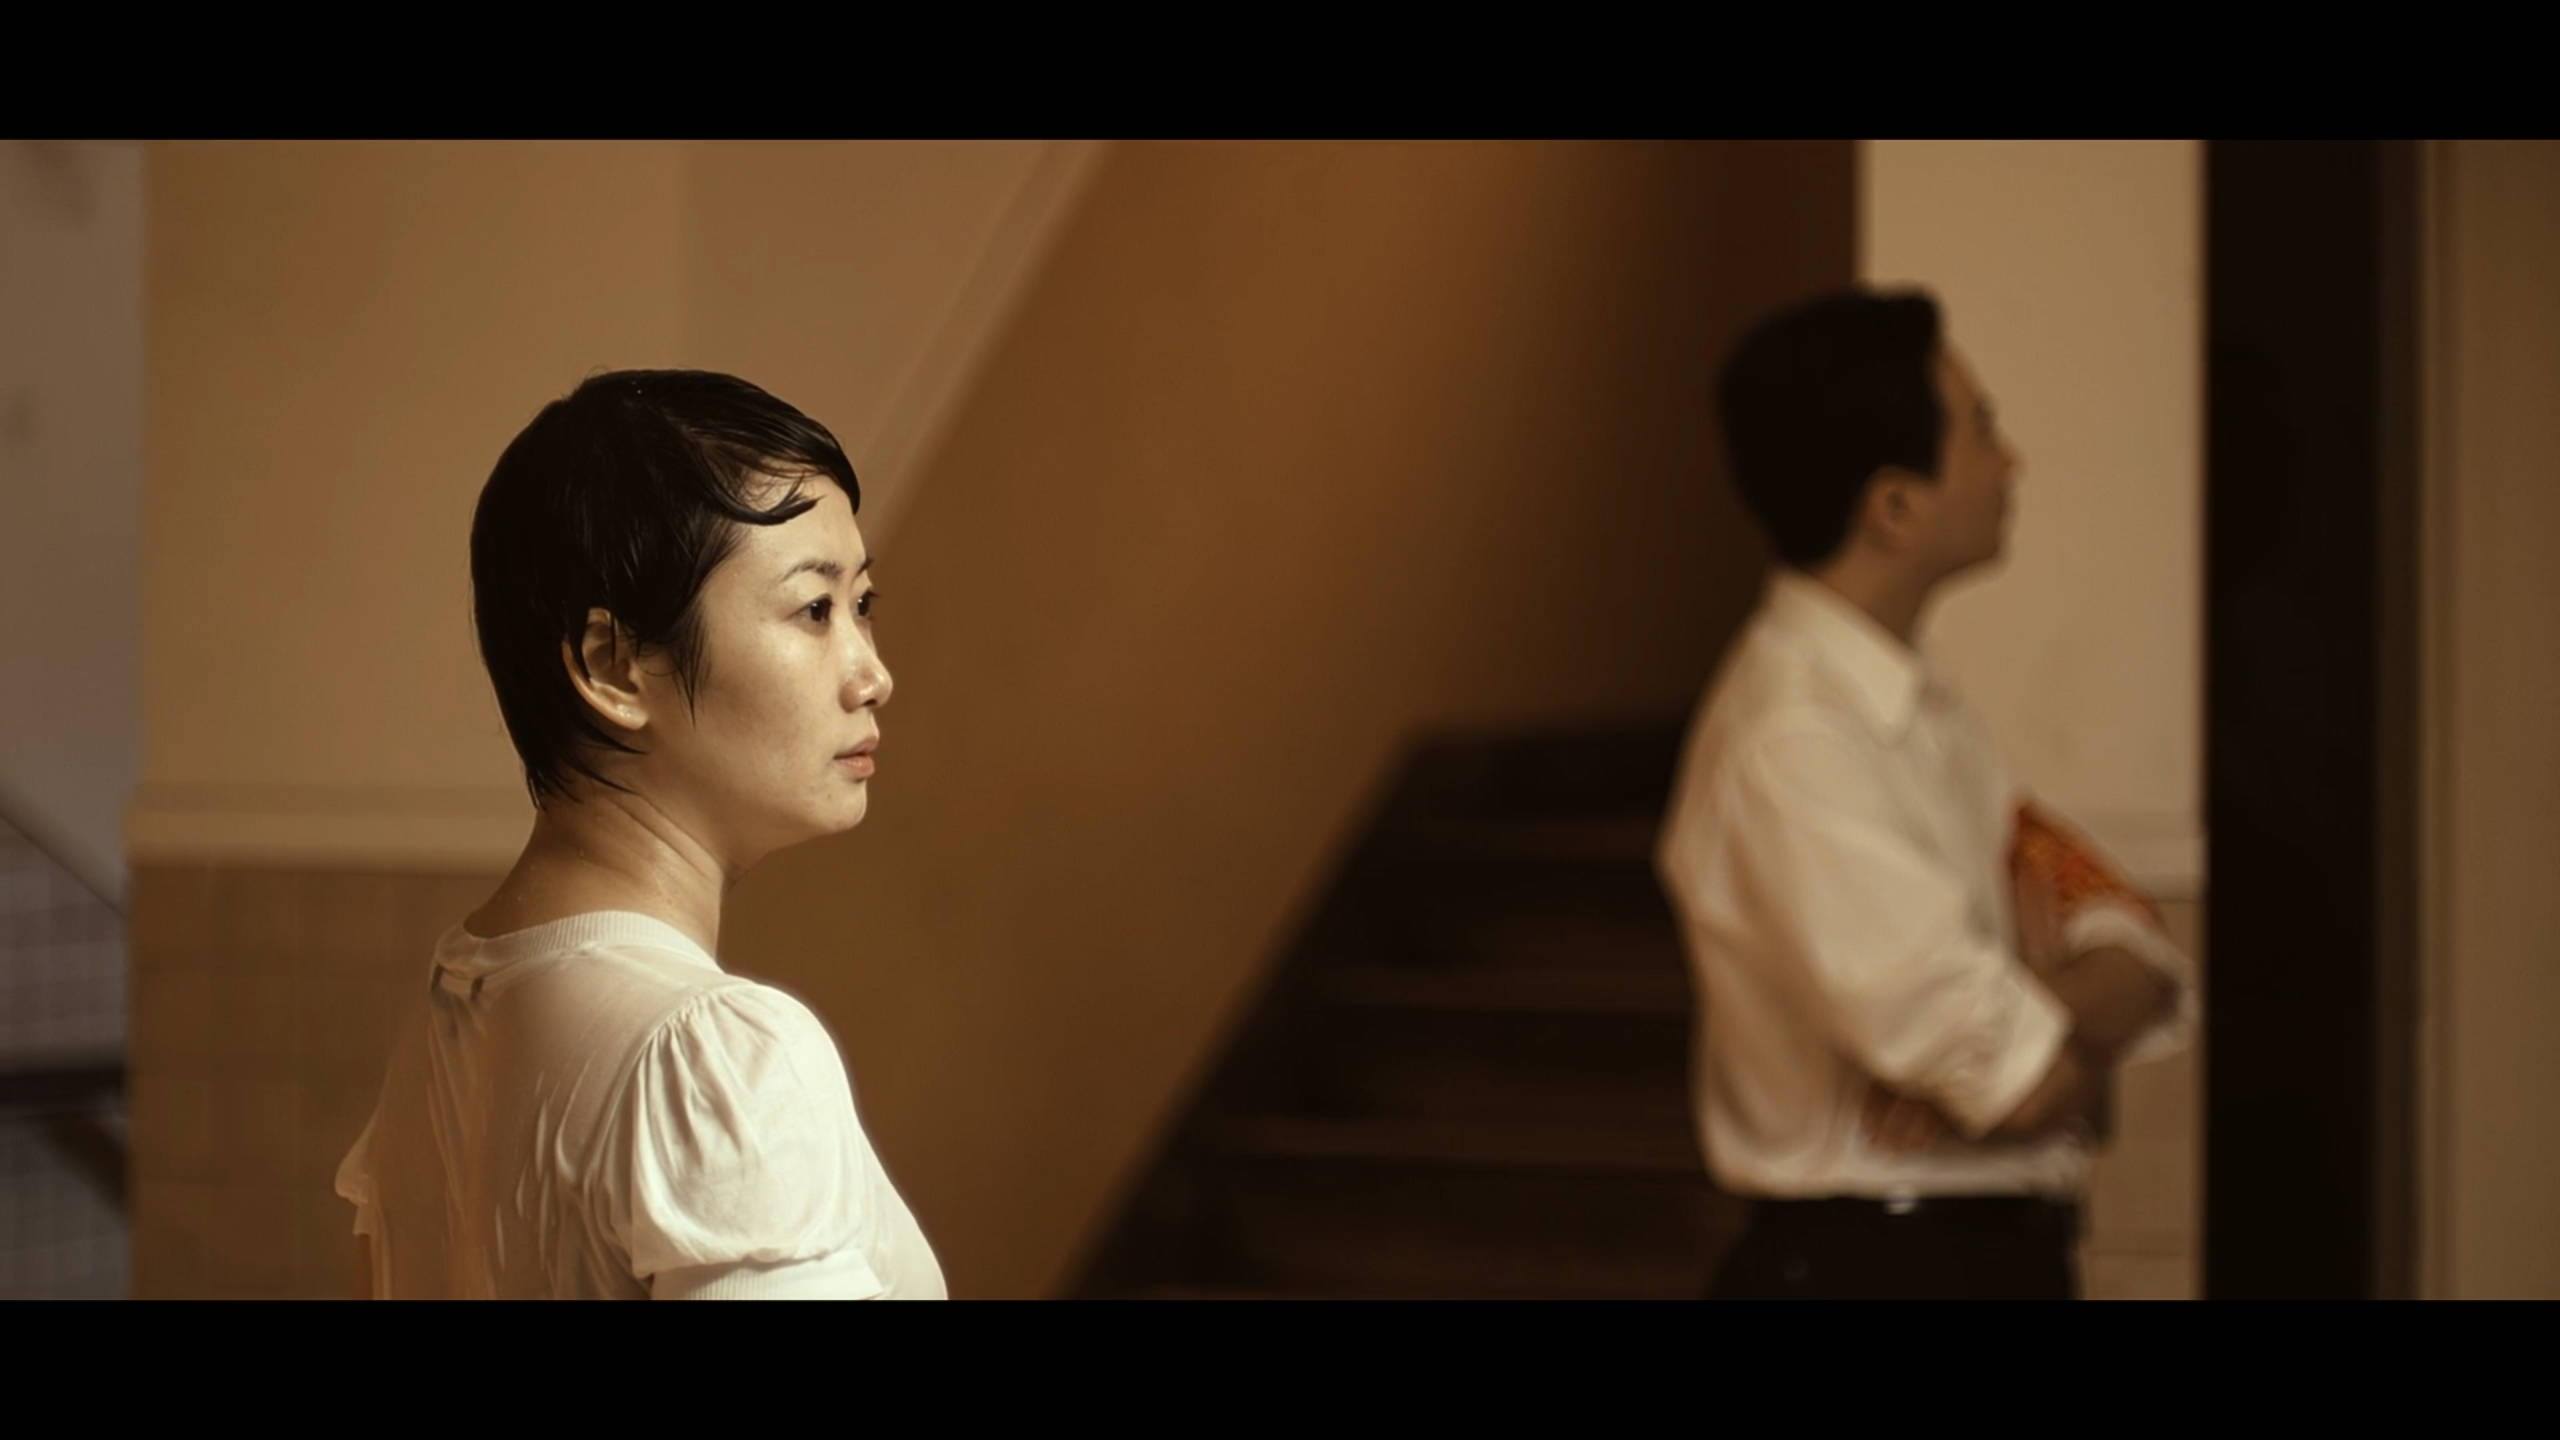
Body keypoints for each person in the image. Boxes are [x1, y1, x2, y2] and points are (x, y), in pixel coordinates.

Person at [336, 370, 944, 1299]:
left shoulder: (445, 1031)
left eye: (862, 604)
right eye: (815, 610)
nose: (873, 675)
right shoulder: (717, 1056)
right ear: (613, 666)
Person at [1656, 289, 2197, 1300]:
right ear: (1894, 507)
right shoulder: (1793, 744)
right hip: (1877, 1270)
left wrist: (2040, 1027)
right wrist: (2056, 1052)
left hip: (1971, 1258)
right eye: (1982, 430)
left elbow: (2134, 946)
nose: (2010, 464)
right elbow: (2030, 1087)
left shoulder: (1921, 711)